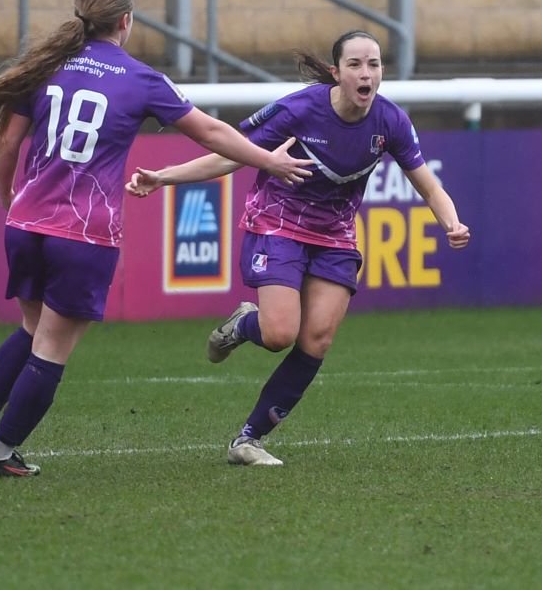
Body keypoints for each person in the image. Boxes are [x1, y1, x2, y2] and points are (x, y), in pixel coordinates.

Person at [0, 0, 314, 478]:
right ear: (126, 21)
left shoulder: (43, 67)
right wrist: (269, 161)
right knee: (52, 347)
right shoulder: (140, 77)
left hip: (26, 223)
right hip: (84, 235)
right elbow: (210, 131)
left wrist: (9, 202)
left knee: (32, 327)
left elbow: (8, 145)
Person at [127, 29, 471, 466]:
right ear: (336, 72)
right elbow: (232, 153)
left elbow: (427, 184)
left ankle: (249, 440)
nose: (367, 74)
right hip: (277, 226)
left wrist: (452, 222)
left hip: (335, 237)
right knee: (279, 335)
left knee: (317, 339)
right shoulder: (300, 109)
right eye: (355, 65)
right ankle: (241, 326)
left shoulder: (390, 122)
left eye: (374, 64)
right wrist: (165, 176)